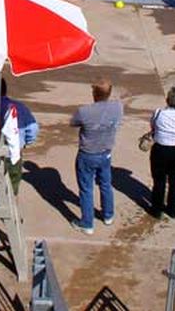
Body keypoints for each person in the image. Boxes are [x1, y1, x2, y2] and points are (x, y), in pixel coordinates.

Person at [69, 78, 123, 235]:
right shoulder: (118, 107)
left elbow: (73, 122)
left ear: (94, 93)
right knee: (106, 184)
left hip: (87, 154)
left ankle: (87, 223)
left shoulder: (85, 111)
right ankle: (108, 215)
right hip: (105, 153)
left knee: (86, 189)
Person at [0, 76, 40, 195]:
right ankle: (12, 211)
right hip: (15, 152)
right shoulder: (19, 106)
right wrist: (26, 142)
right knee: (12, 188)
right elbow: (33, 128)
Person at [149, 85, 175, 219]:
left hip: (161, 150)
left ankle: (157, 209)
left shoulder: (158, 113)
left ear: (168, 99)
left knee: (159, 180)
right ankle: (172, 209)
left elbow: (152, 125)